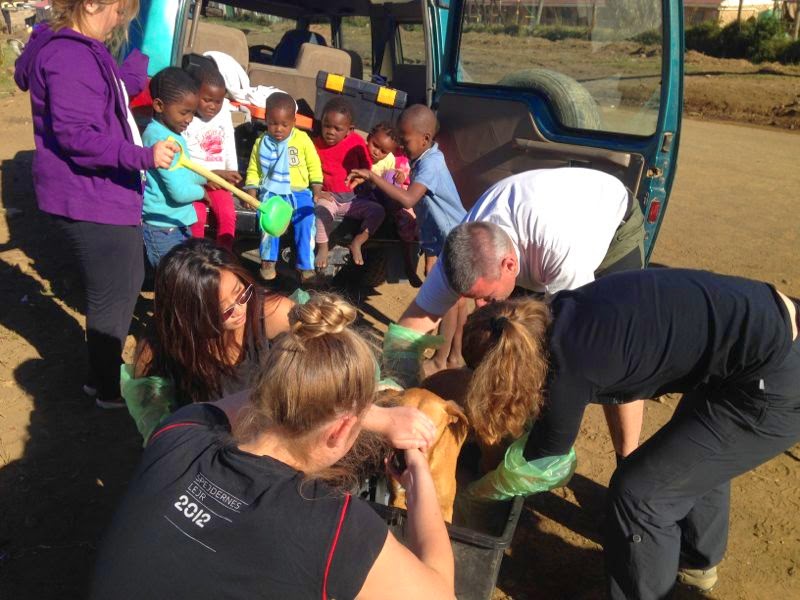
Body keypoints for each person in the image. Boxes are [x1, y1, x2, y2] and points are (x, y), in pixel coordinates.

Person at [459, 268, 800, 598]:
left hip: (774, 381)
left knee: (640, 493)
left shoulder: (567, 370)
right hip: (762, 324)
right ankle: (697, 561)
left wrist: (479, 491)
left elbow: (544, 460)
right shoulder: (559, 310)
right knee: (698, 453)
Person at [91, 294, 454, 599]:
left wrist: (362, 413)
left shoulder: (179, 433)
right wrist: (418, 476)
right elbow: (440, 594)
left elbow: (246, 400)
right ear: (342, 429)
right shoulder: (332, 527)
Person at [395, 167, 647, 458]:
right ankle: (497, 435)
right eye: (475, 297)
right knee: (500, 340)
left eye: (487, 297)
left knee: (615, 354)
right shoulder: (463, 253)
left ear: (510, 265)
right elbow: (410, 328)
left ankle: (627, 457)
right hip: (535, 246)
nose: (481, 306)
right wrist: (396, 391)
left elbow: (571, 349)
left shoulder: (560, 253)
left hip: (612, 229)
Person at [13, 0, 177, 409]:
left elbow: (113, 92)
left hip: (99, 192)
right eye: (119, 11)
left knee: (126, 279)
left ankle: (99, 378)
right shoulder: (70, 56)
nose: (119, 21)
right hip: (89, 195)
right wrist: (143, 156)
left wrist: (142, 53)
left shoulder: (81, 49)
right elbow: (77, 136)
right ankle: (106, 388)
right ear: (90, 4)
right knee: (113, 292)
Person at [349, 105, 467, 373]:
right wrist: (430, 251)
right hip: (447, 236)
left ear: (425, 138)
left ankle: (440, 359)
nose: (401, 145)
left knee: (449, 299)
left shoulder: (431, 164)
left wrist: (372, 176)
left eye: (405, 139)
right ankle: (454, 357)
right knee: (458, 300)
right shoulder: (424, 158)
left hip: (454, 238)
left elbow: (409, 199)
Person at [244, 92, 322, 282]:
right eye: (273, 123)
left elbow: (314, 165)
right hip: (272, 191)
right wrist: (252, 191)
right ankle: (268, 261)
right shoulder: (261, 143)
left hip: (299, 192)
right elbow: (254, 169)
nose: (278, 129)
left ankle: (306, 265)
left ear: (294, 122)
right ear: (266, 119)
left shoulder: (302, 140)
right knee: (268, 221)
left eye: (284, 125)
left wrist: (317, 188)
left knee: (307, 221)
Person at [141, 67, 206, 269]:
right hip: (161, 226)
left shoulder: (172, 133)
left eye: (193, 113)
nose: (189, 119)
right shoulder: (160, 139)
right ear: (159, 105)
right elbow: (179, 192)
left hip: (176, 223)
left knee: (180, 275)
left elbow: (185, 172)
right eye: (184, 112)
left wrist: (208, 177)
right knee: (172, 277)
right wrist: (202, 192)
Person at [313, 98, 385, 269]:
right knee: (321, 212)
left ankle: (358, 242)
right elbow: (311, 171)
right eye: (326, 126)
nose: (330, 132)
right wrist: (318, 191)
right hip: (330, 198)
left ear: (349, 130)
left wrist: (364, 181)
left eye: (337, 129)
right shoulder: (315, 145)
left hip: (353, 200)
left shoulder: (356, 143)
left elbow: (366, 166)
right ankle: (323, 247)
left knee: (378, 211)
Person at [183, 64, 241, 252]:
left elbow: (229, 142)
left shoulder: (223, 113)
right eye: (207, 100)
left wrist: (232, 172)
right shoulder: (186, 118)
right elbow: (185, 158)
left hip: (219, 182)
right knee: (197, 217)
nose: (213, 106)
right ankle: (196, 257)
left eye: (218, 101)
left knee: (228, 215)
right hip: (195, 182)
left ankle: (224, 256)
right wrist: (207, 176)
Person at [364, 122, 420, 287]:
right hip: (368, 195)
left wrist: (400, 177)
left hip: (390, 197)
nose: (377, 152)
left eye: (383, 150)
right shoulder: (363, 152)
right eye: (375, 146)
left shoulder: (393, 159)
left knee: (409, 220)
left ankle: (409, 265)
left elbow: (393, 181)